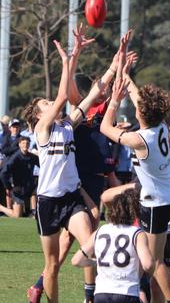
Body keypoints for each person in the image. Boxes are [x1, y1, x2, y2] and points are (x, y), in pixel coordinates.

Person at [24, 24, 105, 303]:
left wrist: (79, 54)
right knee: (51, 267)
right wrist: (65, 60)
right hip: (47, 201)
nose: (52, 104)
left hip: (71, 198)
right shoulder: (42, 130)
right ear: (38, 115)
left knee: (90, 246)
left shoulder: (68, 126)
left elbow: (90, 98)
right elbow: (61, 98)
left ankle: (93, 295)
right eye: (45, 103)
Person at [100, 35, 170, 303]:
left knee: (154, 264)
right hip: (167, 197)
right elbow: (138, 98)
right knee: (152, 261)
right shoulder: (160, 125)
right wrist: (124, 73)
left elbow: (105, 128)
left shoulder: (139, 139)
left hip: (156, 202)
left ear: (140, 113)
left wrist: (113, 99)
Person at [72, 189, 154, 303]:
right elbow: (148, 265)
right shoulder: (137, 233)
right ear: (133, 211)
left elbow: (76, 260)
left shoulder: (101, 231)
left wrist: (96, 262)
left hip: (101, 293)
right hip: (127, 293)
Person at [0, 136, 39, 218]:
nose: (25, 145)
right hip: (18, 189)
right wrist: (9, 187)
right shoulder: (15, 157)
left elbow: (43, 166)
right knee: (17, 215)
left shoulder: (33, 157)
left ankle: (34, 212)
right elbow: (3, 173)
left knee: (37, 191)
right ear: (19, 145)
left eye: (27, 143)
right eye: (23, 143)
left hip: (29, 188)